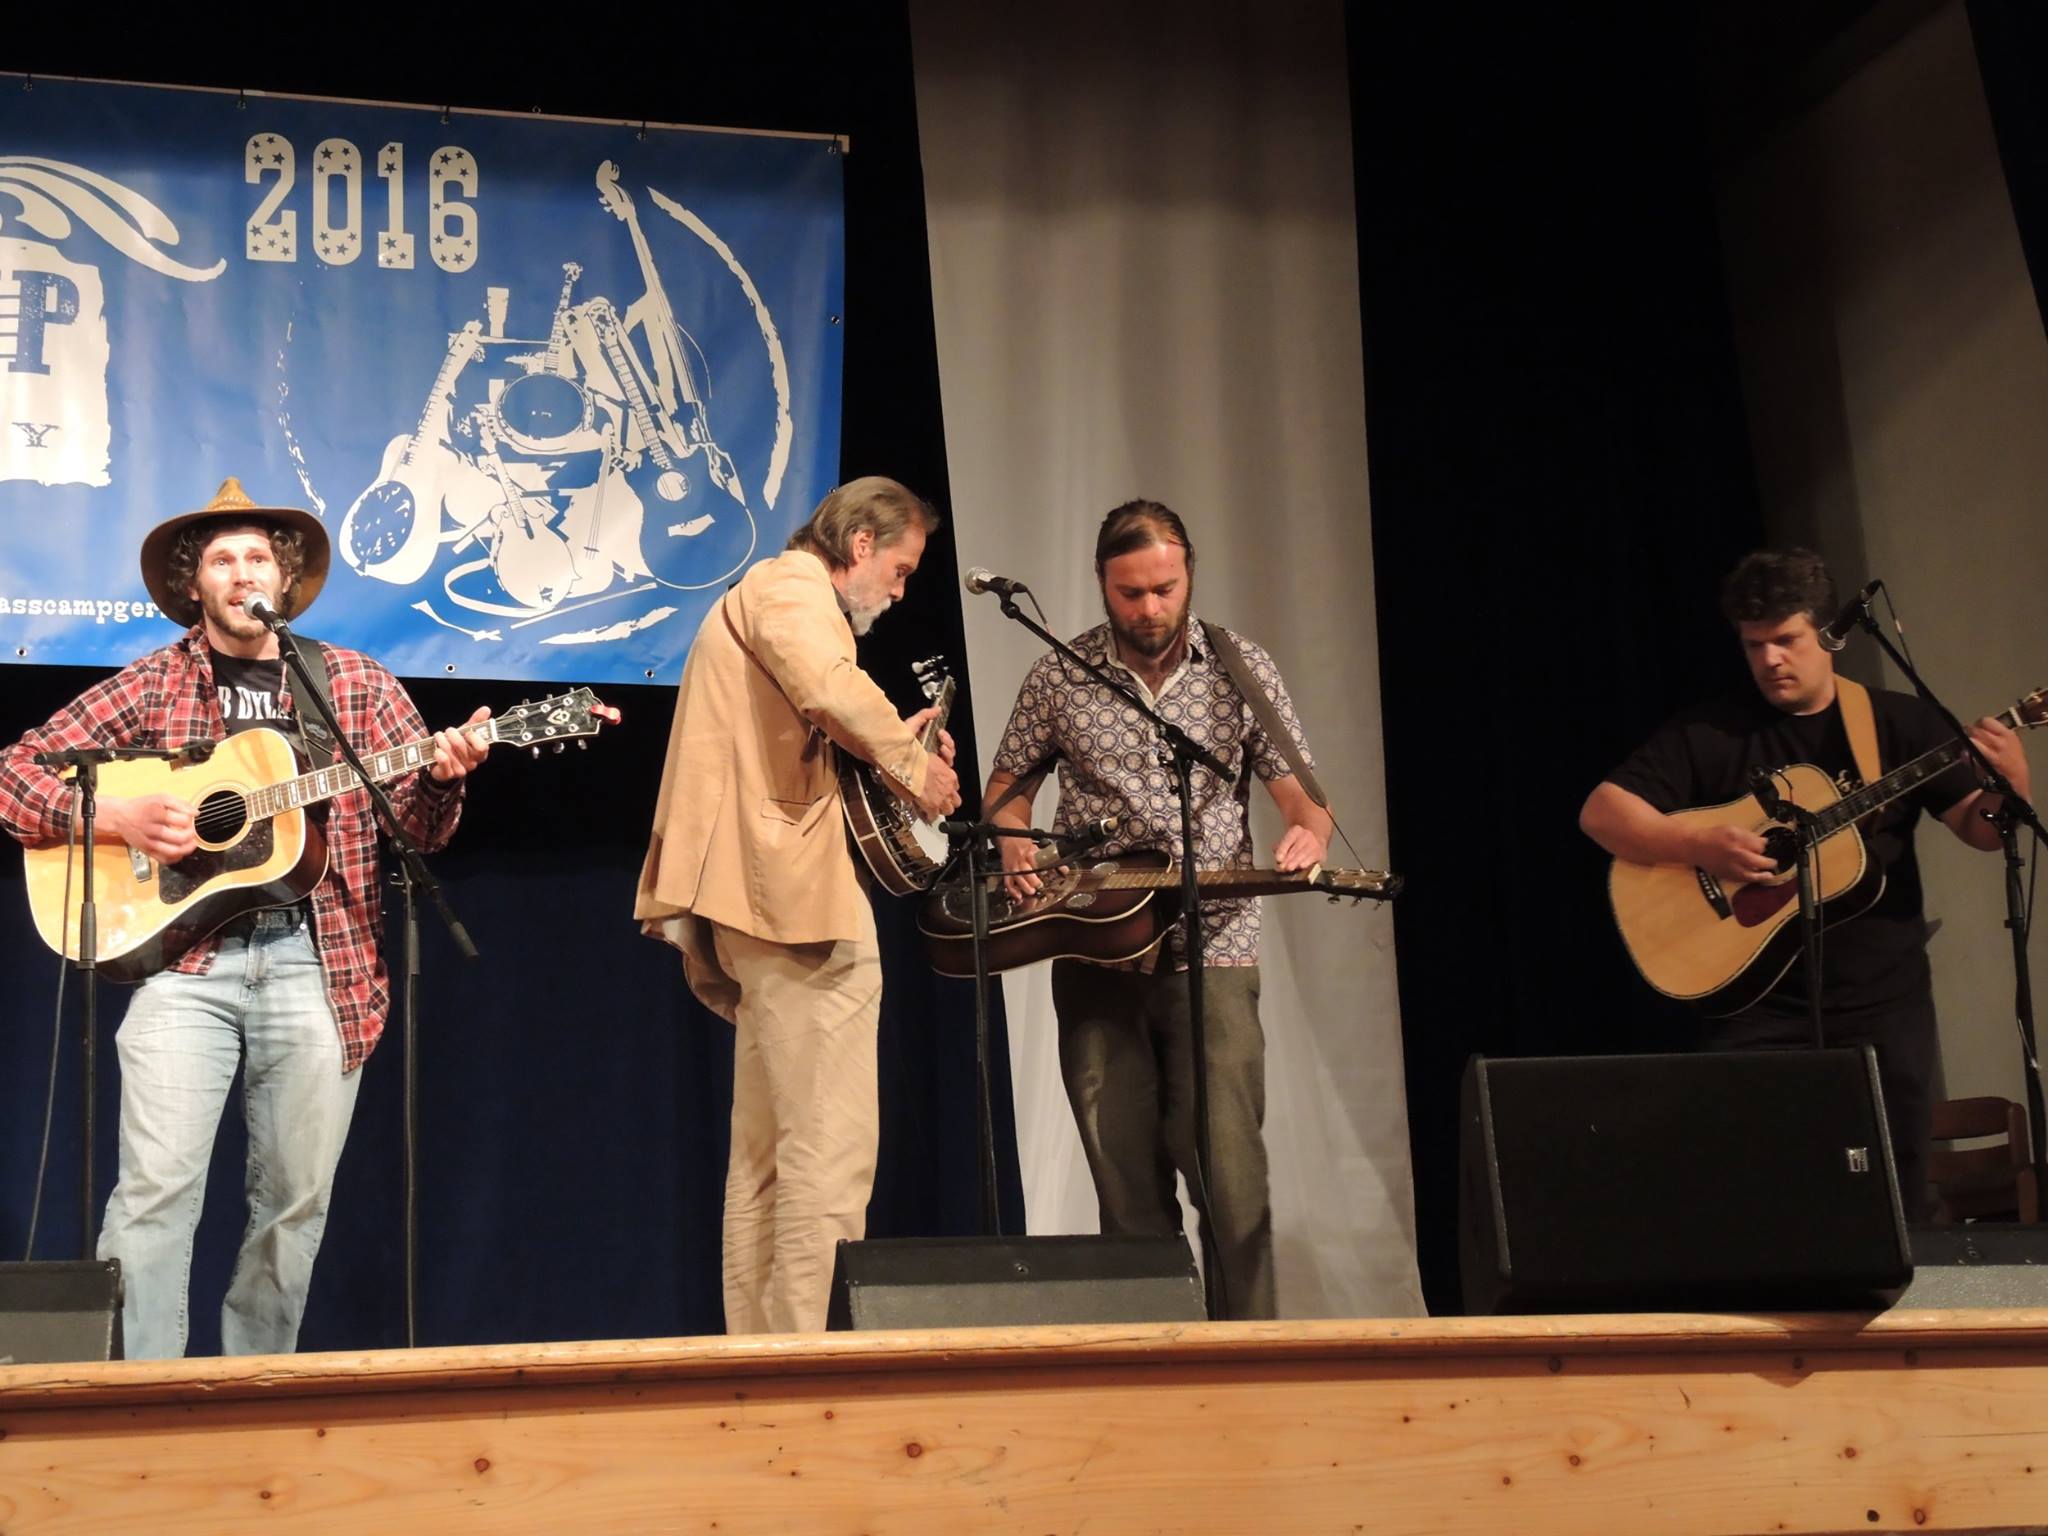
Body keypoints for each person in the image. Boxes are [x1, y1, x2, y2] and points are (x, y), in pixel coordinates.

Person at [0, 477, 493, 1358]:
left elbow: (414, 831)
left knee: (295, 1203)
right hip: (185, 971)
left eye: (257, 556)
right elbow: (15, 774)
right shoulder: (155, 683)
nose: (240, 572)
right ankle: (140, 1401)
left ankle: (252, 1396)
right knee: (153, 1193)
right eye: (221, 559)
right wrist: (116, 818)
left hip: (320, 966)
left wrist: (442, 777)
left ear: (285, 576)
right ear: (195, 583)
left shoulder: (354, 685)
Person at [1579, 548, 2032, 1219]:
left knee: (1892, 1187)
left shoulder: (1899, 724)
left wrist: (2014, 779)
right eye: (1754, 646)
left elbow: (1985, 829)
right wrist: (1699, 842)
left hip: (1883, 1000)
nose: (1770, 661)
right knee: (1760, 1188)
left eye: (1785, 641)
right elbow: (1601, 812)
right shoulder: (1714, 731)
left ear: (1830, 636)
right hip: (1756, 1006)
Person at [981, 500, 1332, 1320]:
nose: (1148, 610)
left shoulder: (1238, 667)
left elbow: (1305, 800)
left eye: (1163, 590)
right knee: (1124, 1177)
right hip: (1098, 943)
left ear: (1189, 576)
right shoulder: (1061, 674)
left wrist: (1306, 836)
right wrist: (1012, 839)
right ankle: (1155, 1363)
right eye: (1130, 592)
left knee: (1231, 1175)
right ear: (1103, 585)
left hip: (1215, 943)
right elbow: (1007, 791)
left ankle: (1251, 1361)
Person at [635, 476, 961, 1334]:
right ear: (860, 546)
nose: (899, 590)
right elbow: (826, 685)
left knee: (770, 1156)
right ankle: (804, 1365)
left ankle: (760, 1362)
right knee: (830, 1148)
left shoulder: (779, 597)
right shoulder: (792, 587)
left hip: (758, 891)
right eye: (900, 569)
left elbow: (809, 715)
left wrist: (897, 740)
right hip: (787, 897)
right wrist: (912, 764)